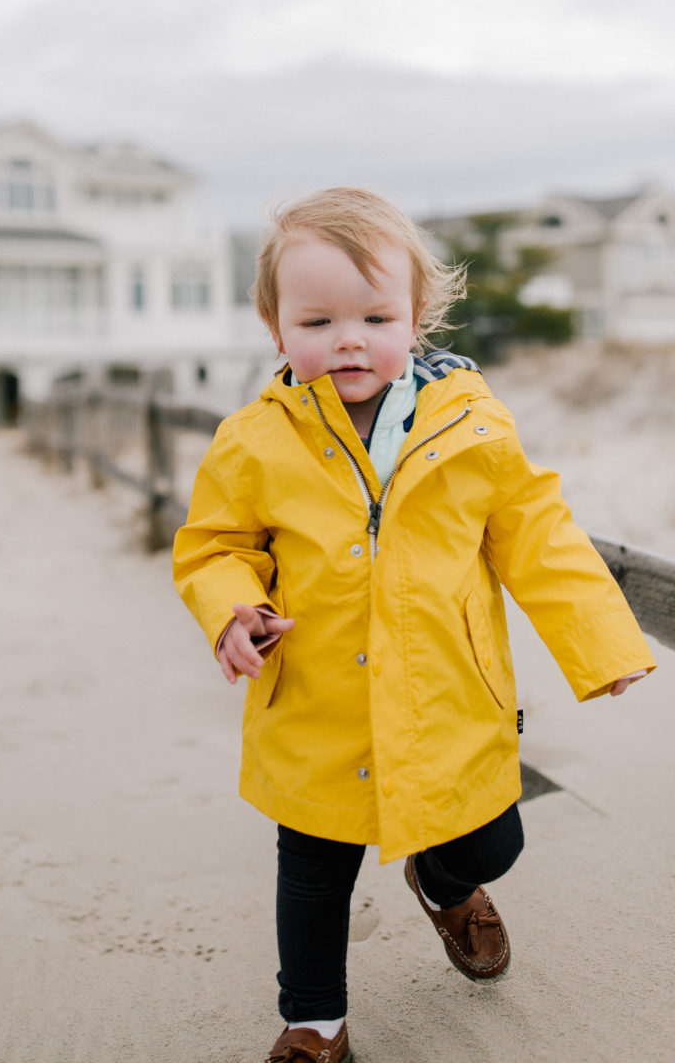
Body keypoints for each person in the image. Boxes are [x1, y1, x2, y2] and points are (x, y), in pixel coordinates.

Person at [172, 187, 655, 1063]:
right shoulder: (253, 440)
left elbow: (538, 537)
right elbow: (214, 548)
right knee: (313, 875)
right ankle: (315, 1024)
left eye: (374, 317)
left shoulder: (472, 423)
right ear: (275, 325)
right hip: (314, 706)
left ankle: (442, 881)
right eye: (317, 321)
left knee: (494, 841)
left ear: (416, 316)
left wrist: (603, 644)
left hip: (451, 700)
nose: (348, 340)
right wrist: (231, 611)